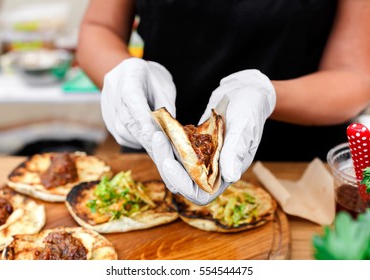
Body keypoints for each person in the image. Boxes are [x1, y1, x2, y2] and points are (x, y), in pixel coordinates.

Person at [76, 0, 370, 205]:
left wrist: (266, 95)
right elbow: (99, 26)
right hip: (153, 153)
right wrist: (123, 74)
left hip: (295, 174)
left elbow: (354, 74)